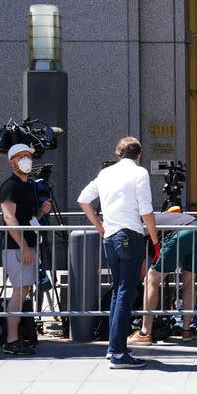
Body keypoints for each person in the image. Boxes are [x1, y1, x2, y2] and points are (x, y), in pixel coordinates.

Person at [77, 136, 159, 369]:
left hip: (110, 237)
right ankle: (119, 353)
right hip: (129, 235)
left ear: (118, 153)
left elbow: (83, 199)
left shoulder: (106, 174)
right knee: (126, 291)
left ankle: (114, 348)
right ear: (139, 154)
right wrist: (155, 242)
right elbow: (146, 210)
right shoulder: (139, 173)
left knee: (118, 291)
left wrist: (98, 225)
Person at [0, 144, 52, 355]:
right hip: (17, 248)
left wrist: (41, 212)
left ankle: (15, 337)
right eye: (21, 157)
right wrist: (24, 246)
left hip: (26, 246)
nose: (26, 160)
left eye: (28, 157)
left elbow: (27, 219)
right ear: (12, 161)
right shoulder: (10, 185)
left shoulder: (28, 185)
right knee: (19, 292)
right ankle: (11, 339)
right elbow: (9, 217)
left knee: (24, 290)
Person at [128, 209, 197, 345]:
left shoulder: (141, 226)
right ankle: (186, 330)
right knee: (189, 282)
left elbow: (142, 265)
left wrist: (145, 286)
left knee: (151, 280)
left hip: (181, 234)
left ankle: (144, 333)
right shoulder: (164, 217)